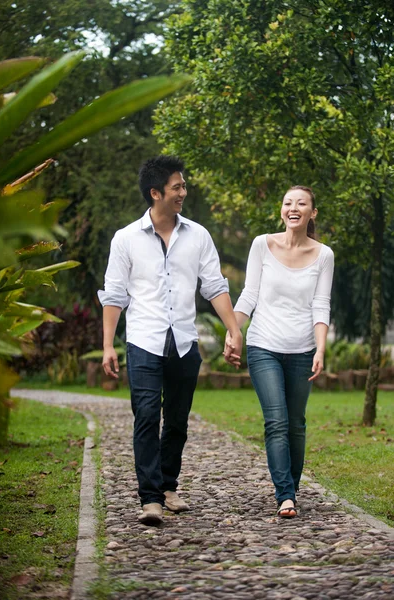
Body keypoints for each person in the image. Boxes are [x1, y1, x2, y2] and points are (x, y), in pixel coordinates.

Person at [98, 155, 242, 526]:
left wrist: (234, 329)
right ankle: (150, 497)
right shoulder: (126, 239)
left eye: (183, 185)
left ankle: (168, 485)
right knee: (146, 415)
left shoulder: (198, 236)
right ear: (155, 192)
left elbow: (214, 286)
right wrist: (108, 345)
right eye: (177, 186)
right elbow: (114, 295)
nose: (184, 192)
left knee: (176, 420)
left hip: (183, 342)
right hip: (143, 341)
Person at [225, 185, 334, 518]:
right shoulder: (262, 244)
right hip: (263, 346)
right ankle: (285, 495)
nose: (294, 207)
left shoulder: (324, 254)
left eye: (301, 203)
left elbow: (321, 304)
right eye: (288, 203)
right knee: (276, 421)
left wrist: (320, 348)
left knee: (296, 424)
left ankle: (292, 486)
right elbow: (250, 294)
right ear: (282, 210)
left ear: (312, 213)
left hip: (302, 349)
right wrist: (234, 331)